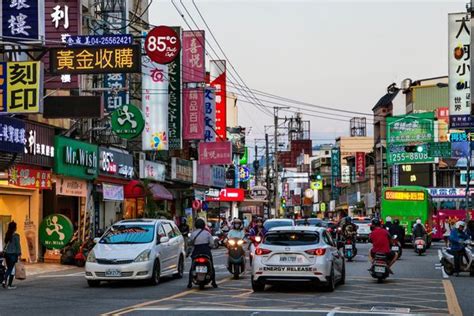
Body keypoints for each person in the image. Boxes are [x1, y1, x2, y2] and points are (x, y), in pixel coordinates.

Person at [187, 218, 217, 288]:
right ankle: (214, 282)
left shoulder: (193, 234)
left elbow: (190, 243)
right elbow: (212, 244)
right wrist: (208, 247)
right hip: (206, 252)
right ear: (203, 225)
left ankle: (189, 283)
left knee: (192, 266)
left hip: (196, 252)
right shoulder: (207, 233)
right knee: (211, 266)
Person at [3, 221, 21, 289]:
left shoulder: (7, 234)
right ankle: (9, 284)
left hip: (7, 254)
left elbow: (5, 243)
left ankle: (5, 282)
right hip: (13, 254)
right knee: (11, 269)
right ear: (15, 228)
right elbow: (18, 246)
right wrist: (19, 254)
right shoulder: (16, 236)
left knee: (9, 268)